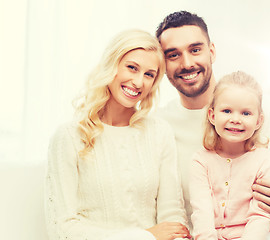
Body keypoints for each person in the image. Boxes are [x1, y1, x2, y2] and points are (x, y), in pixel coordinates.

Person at [154, 11, 270, 229]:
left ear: (211, 51)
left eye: (195, 50)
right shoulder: (160, 125)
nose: (187, 63)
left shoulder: (262, 108)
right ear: (162, 63)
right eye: (173, 55)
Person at [45, 29, 191, 240]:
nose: (139, 82)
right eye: (132, 68)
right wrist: (144, 236)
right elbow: (62, 229)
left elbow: (172, 218)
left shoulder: (160, 133)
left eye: (149, 74)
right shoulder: (68, 137)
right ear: (111, 65)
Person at [189, 71, 270, 240]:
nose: (236, 119)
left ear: (259, 121)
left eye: (246, 113)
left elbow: (261, 216)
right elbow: (201, 212)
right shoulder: (200, 161)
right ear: (212, 115)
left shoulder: (265, 160)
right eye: (227, 111)